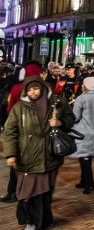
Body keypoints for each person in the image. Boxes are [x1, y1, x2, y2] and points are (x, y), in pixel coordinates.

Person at [2, 74, 76, 230]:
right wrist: (11, 154)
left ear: (42, 87)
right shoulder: (20, 107)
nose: (33, 92)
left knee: (46, 190)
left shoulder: (57, 102)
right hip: (27, 156)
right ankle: (31, 221)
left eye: (36, 88)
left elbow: (71, 118)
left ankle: (44, 219)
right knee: (27, 191)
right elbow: (9, 131)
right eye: (29, 90)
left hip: (50, 156)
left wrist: (60, 122)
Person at [2, 62, 44, 204]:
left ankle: (13, 191)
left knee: (16, 162)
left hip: (20, 130)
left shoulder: (17, 88)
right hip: (39, 133)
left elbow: (10, 108)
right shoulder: (45, 89)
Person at [69, 75, 94, 194]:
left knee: (85, 158)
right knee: (87, 157)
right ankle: (83, 181)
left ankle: (89, 184)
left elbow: (75, 117)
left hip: (84, 132)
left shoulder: (81, 99)